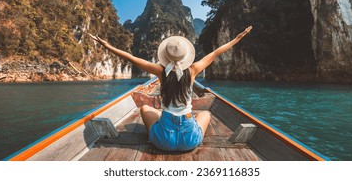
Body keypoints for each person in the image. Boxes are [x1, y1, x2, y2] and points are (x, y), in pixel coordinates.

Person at [89, 25, 252, 151]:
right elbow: (216, 53)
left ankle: (163, 123)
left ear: (165, 56)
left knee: (145, 108)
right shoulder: (193, 70)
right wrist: (237, 38)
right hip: (190, 141)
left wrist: (106, 45)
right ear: (186, 56)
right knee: (206, 114)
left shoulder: (161, 71)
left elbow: (131, 58)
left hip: (163, 141)